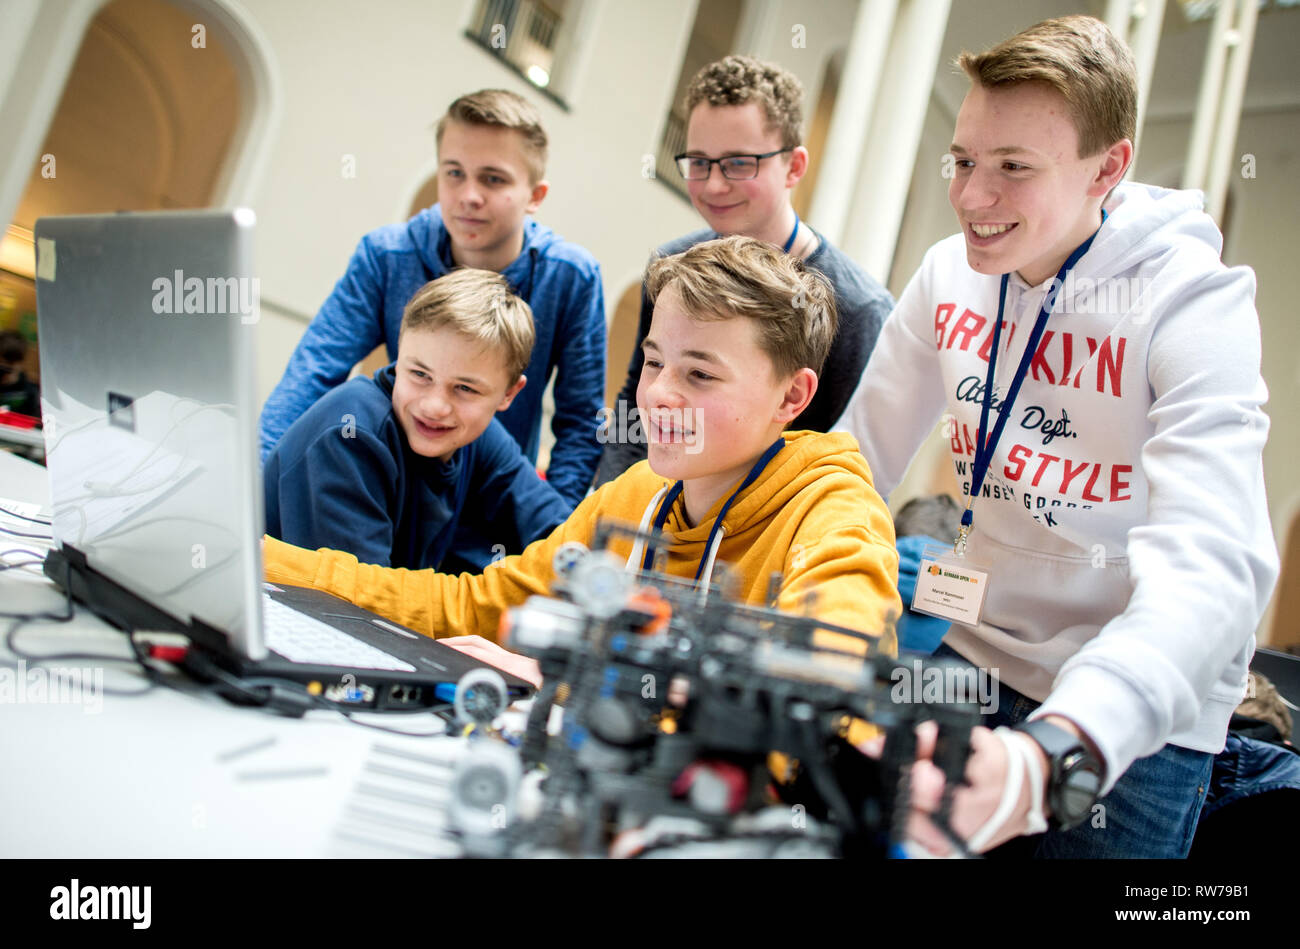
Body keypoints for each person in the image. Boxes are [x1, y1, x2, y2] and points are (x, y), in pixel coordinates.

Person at [838, 15, 1279, 857]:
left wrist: (1059, 746)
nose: (972, 196)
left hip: (1137, 709)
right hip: (968, 651)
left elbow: (1216, 565)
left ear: (1106, 168)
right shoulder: (947, 275)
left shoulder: (1193, 299)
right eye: (964, 161)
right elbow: (853, 465)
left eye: (1013, 168)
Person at [263, 236, 900, 653]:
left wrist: (565, 687)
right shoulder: (638, 493)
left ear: (792, 398)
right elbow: (470, 606)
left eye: (700, 374)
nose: (658, 397)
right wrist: (256, 559)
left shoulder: (836, 515)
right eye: (654, 364)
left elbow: (828, 689)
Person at [259, 89, 606, 567]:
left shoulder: (570, 276)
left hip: (481, 507)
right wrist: (254, 486)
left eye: (493, 178)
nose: (468, 195)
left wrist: (556, 559)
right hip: (387, 499)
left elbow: (579, 424)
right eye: (454, 173)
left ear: (535, 196)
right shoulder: (386, 256)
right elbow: (312, 373)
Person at [593, 55, 893, 487]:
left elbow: (842, 465)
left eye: (738, 164)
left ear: (794, 166)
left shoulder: (860, 310)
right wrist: (610, 506)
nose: (714, 185)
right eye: (698, 162)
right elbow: (633, 410)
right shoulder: (670, 268)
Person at [263, 269, 570, 569]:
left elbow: (560, 535)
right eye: (420, 374)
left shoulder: (481, 437)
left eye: (464, 388)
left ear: (508, 394)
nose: (435, 406)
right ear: (400, 351)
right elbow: (361, 601)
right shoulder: (348, 434)